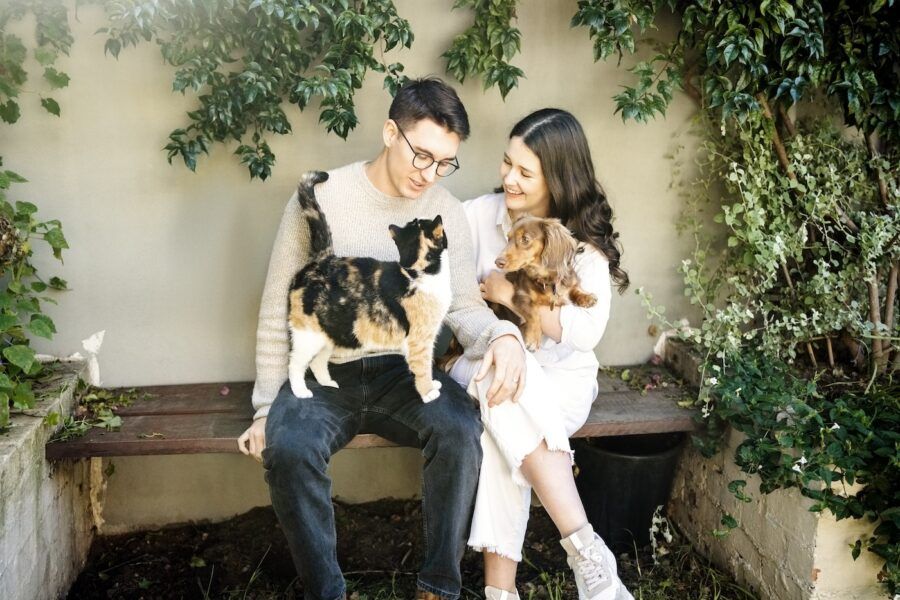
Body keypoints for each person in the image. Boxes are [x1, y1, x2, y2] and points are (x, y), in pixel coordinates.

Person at [237, 78, 528, 600]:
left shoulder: (447, 215)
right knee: (289, 447)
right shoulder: (326, 197)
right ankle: (327, 591)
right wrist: (264, 407)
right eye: (422, 156)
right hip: (327, 374)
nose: (430, 174)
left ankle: (438, 587)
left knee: (462, 431)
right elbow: (278, 301)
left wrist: (504, 335)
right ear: (390, 132)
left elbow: (463, 305)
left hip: (406, 374)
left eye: (445, 163)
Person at [446, 108, 634, 600]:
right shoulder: (475, 217)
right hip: (481, 359)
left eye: (525, 172)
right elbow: (445, 292)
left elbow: (584, 332)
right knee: (506, 375)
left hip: (562, 382)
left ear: (558, 178)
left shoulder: (579, 244)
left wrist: (510, 298)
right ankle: (587, 552)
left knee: (499, 431)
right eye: (507, 163)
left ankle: (499, 593)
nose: (508, 177)